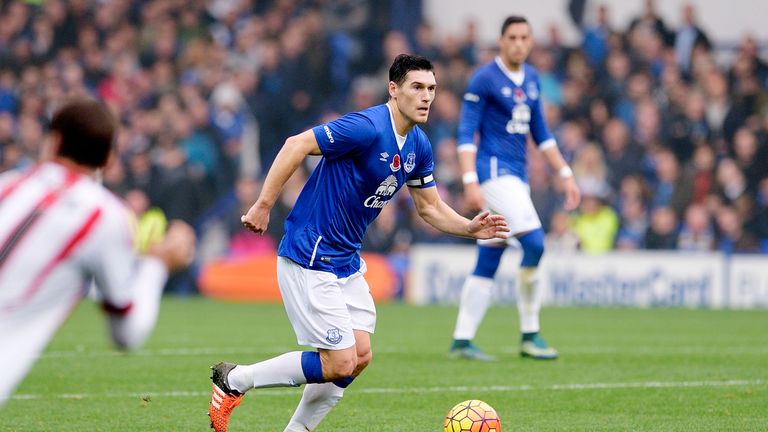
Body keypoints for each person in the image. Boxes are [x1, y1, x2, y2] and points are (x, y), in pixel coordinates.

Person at [208, 54, 509, 432]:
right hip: (311, 254)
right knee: (339, 362)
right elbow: (295, 145)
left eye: (432, 88)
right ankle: (235, 380)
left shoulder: (419, 145)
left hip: (345, 261)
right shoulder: (366, 127)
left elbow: (429, 207)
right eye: (417, 87)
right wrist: (264, 205)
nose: (426, 96)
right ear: (393, 89)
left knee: (360, 356)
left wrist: (470, 228)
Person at [0, 98, 196, 404]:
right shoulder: (105, 216)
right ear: (108, 159)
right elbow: (126, 333)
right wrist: (159, 263)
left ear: (53, 141)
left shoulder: (7, 185)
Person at [448, 16, 581, 361]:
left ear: (531, 41)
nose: (519, 43)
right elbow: (465, 134)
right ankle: (530, 333)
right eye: (513, 37)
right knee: (535, 243)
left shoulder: (533, 79)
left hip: (516, 176)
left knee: (490, 254)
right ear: (502, 41)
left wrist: (565, 172)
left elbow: (543, 135)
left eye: (525, 37)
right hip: (493, 173)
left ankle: (462, 340)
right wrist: (469, 180)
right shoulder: (484, 78)